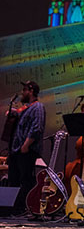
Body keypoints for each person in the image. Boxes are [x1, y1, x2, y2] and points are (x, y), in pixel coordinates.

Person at [7, 81, 46, 214]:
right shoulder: (27, 108)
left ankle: (24, 208)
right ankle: (12, 209)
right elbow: (21, 115)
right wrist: (13, 112)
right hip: (17, 151)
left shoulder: (38, 107)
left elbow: (37, 128)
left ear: (31, 90)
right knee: (14, 179)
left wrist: (26, 144)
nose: (22, 93)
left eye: (24, 90)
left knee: (26, 179)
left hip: (27, 150)